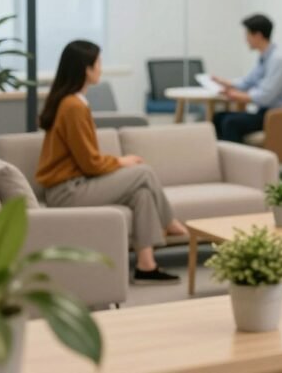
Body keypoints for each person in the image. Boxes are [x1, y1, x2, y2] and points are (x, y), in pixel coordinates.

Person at [36, 40, 187, 284]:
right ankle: (169, 222)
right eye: (98, 63)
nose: (101, 68)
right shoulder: (73, 106)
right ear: (86, 69)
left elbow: (87, 161)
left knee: (142, 195)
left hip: (76, 185)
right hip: (67, 191)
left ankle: (146, 266)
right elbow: (90, 164)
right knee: (144, 172)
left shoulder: (72, 102)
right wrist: (121, 161)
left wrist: (117, 162)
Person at [211, 14, 282, 143]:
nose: (246, 39)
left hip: (281, 116)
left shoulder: (279, 60)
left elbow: (265, 96)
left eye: (247, 35)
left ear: (258, 35)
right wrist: (225, 83)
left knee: (230, 123)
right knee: (218, 117)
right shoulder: (265, 57)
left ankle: (239, 162)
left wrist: (235, 95)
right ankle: (224, 159)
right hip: (267, 113)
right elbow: (248, 81)